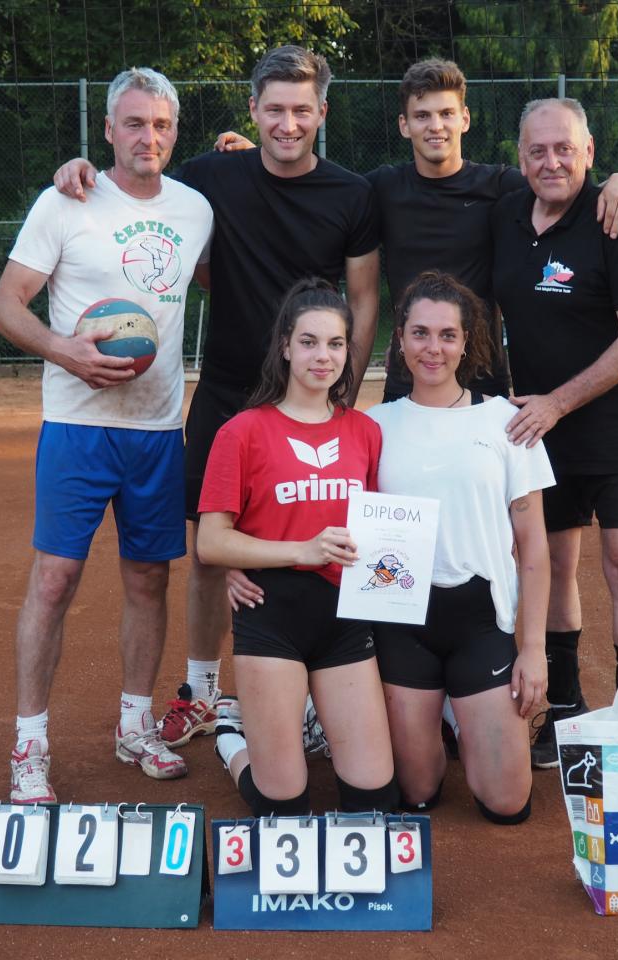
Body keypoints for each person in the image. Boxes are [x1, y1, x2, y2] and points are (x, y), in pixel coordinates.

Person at [52, 47, 380, 750]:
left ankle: (314, 691)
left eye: (302, 110)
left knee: (318, 536)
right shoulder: (210, 176)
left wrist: (341, 397)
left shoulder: (352, 194)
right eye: (274, 109)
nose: (288, 124)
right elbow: (136, 181)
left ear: (322, 113)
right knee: (207, 549)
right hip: (229, 393)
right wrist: (78, 169)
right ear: (253, 111)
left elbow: (362, 298)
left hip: (313, 399)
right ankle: (201, 692)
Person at [0, 68, 214, 800]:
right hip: (77, 427)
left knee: (149, 580)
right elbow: (5, 305)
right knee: (55, 580)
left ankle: (134, 725)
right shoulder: (66, 201)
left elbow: (220, 280)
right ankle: (29, 745)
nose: (149, 137)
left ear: (174, 132)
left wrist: (241, 161)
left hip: (157, 429)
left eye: (161, 125)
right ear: (109, 129)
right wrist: (65, 351)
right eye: (134, 123)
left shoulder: (196, 209)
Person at [215, 58, 618, 403]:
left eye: (445, 114)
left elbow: (560, 180)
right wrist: (263, 154)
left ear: (465, 119)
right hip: (407, 382)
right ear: (404, 125)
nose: (435, 126)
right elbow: (322, 186)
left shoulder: (502, 187)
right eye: (422, 115)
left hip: (483, 383)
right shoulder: (381, 188)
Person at [491, 98, 618, 770]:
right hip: (541, 428)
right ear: (519, 159)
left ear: (589, 152)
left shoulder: (616, 217)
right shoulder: (505, 217)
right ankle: (563, 710)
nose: (552, 162)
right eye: (537, 150)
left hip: (617, 426)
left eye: (565, 148)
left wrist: (559, 403)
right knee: (553, 564)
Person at [195, 278, 397, 816]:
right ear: (284, 346)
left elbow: (378, 529)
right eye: (308, 342)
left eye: (335, 343)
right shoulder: (242, 431)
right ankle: (233, 742)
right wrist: (295, 551)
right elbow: (211, 542)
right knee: (282, 805)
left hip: (344, 619)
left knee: (374, 798)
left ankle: (307, 718)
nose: (322, 356)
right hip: (271, 614)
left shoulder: (365, 431)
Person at [366, 271, 553, 822]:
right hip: (401, 618)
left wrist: (533, 649)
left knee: (506, 802)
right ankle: (448, 713)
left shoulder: (505, 423)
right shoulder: (372, 426)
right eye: (420, 333)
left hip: (479, 620)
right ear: (400, 340)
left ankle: (464, 711)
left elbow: (533, 548)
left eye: (448, 335)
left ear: (467, 342)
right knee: (417, 791)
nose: (434, 348)